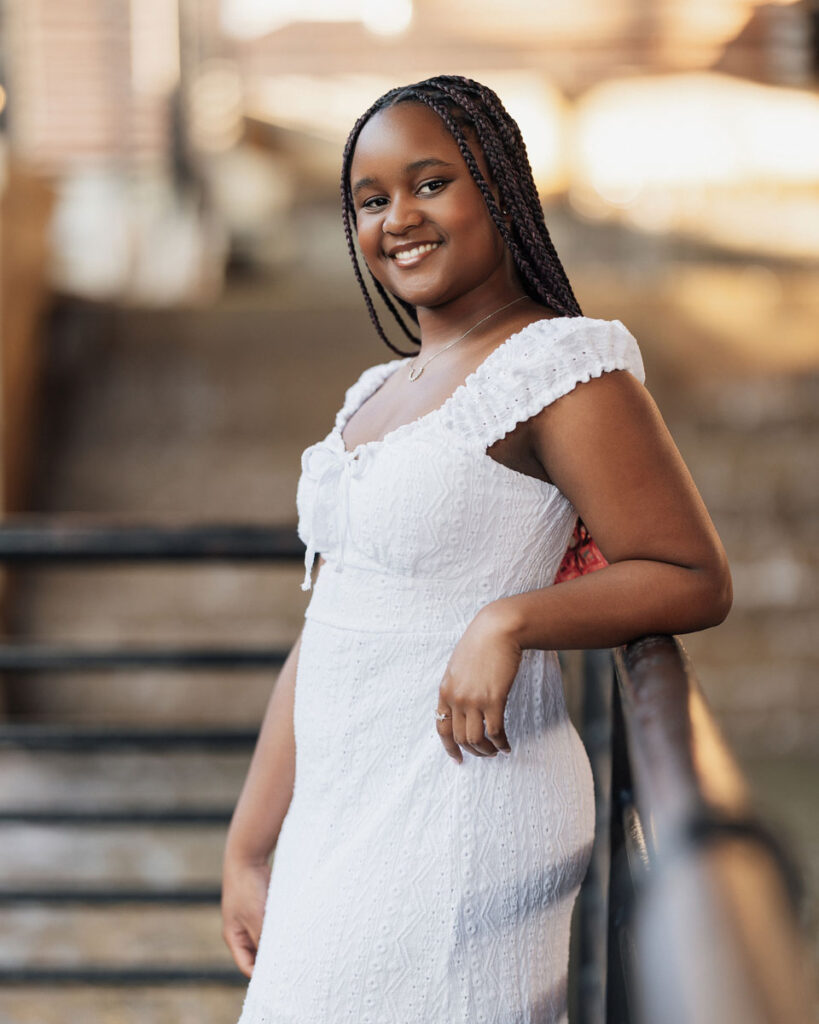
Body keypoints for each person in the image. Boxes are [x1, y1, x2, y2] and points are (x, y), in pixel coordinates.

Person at [221, 75, 732, 1024]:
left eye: (428, 184)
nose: (397, 218)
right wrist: (253, 845)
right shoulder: (371, 396)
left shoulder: (559, 367)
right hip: (338, 820)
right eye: (370, 200)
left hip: (459, 807)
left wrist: (510, 619)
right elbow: (328, 630)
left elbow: (691, 575)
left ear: (496, 187)